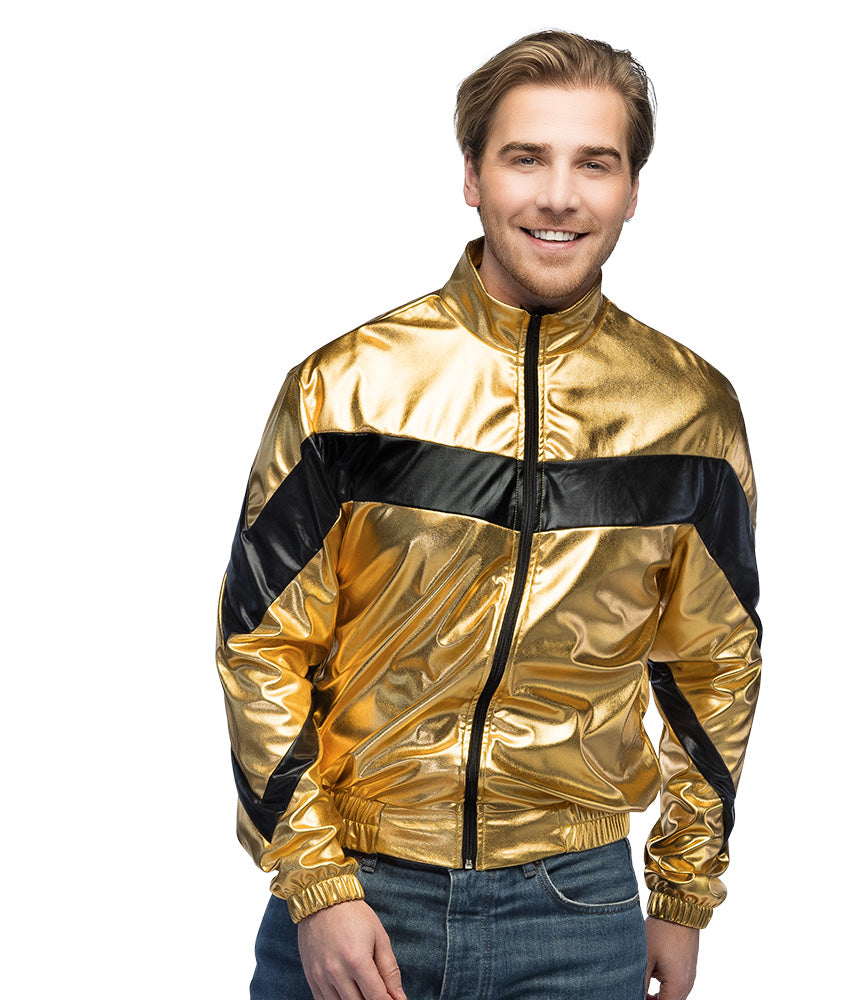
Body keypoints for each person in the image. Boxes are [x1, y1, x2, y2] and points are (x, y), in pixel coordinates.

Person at [217, 29, 761, 1000]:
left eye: (594, 163)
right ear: (472, 176)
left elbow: (713, 663)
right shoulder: (347, 390)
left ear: (632, 189)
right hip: (358, 894)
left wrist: (682, 892)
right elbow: (262, 643)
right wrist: (315, 882)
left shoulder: (689, 413)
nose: (559, 195)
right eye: (525, 158)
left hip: (576, 913)